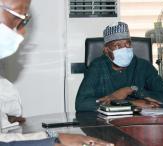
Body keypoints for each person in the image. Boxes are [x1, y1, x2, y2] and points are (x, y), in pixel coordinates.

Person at [0, 0, 114, 146]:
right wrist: (52, 140)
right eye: (19, 16)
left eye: (25, 20)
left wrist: (54, 137)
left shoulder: (141, 66)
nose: (23, 32)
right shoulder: (98, 66)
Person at [75, 21, 163, 112]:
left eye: (128, 44)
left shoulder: (143, 66)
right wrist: (130, 103)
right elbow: (81, 104)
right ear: (106, 50)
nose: (125, 49)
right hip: (106, 126)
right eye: (118, 45)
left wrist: (132, 90)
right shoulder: (97, 67)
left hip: (138, 125)